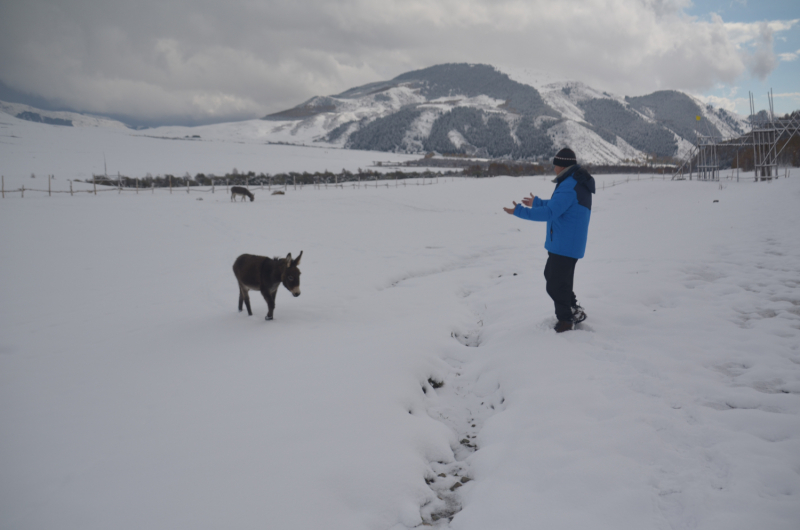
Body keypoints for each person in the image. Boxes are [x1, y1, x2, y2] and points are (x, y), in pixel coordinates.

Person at [503, 148, 596, 332]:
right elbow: (559, 205)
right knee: (557, 280)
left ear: (562, 165)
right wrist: (537, 202)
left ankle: (565, 320)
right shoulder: (574, 181)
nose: (554, 169)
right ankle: (573, 309)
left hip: (565, 244)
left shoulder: (569, 185)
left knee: (555, 284)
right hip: (567, 243)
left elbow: (550, 212)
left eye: (555, 165)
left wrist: (519, 211)